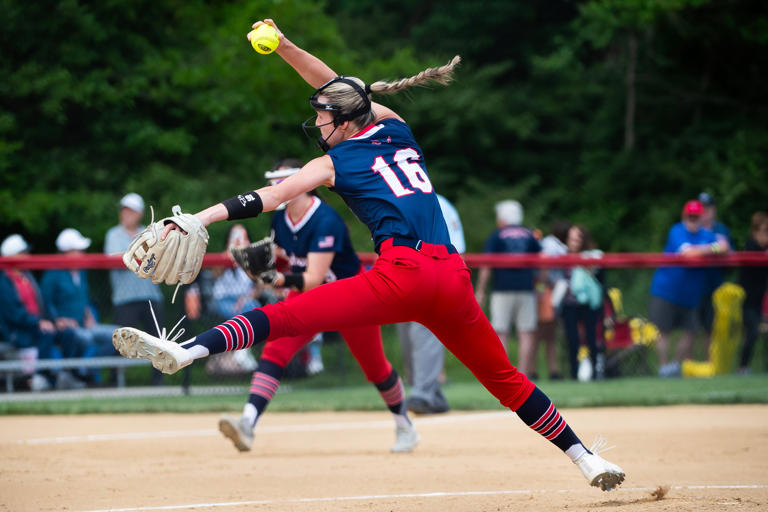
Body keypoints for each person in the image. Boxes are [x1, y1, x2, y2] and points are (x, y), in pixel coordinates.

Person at [113, 18, 624, 491]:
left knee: (284, 316)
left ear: (343, 121)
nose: (318, 122)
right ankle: (586, 458)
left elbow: (266, 198)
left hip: (400, 275)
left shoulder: (333, 162)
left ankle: (189, 351)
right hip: (451, 275)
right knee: (507, 381)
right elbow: (343, 89)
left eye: (322, 116)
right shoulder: (397, 127)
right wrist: (286, 46)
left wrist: (200, 218)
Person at [219, 159, 418, 453]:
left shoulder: (325, 220)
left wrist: (274, 278)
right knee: (275, 350)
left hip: (352, 296)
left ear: (304, 184)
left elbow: (312, 278)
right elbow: (286, 258)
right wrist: (257, 265)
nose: (275, 188)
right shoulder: (281, 218)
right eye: (273, 181)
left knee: (375, 368)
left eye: (282, 181)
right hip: (311, 297)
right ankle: (248, 422)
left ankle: (404, 424)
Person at [399, 193, 465, 414]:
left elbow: (458, 249)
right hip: (401, 277)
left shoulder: (441, 204)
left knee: (424, 336)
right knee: (408, 340)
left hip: (433, 276)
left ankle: (422, 394)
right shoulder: (393, 198)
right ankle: (433, 395)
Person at [649, 199, 725, 377]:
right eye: (689, 216)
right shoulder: (676, 230)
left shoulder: (706, 233)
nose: (692, 219)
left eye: (695, 216)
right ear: (684, 215)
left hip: (690, 294)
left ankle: (674, 367)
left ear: (701, 217)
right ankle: (663, 367)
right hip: (666, 290)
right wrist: (711, 248)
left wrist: (704, 248)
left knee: (691, 331)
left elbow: (724, 246)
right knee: (663, 331)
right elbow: (688, 253)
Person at [0, 234, 86, 390]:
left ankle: (68, 375)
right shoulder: (4, 282)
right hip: (17, 330)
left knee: (68, 333)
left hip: (35, 324)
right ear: (12, 257)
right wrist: (38, 322)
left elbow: (42, 306)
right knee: (45, 333)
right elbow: (14, 314)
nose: (28, 256)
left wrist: (54, 321)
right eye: (23, 253)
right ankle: (42, 377)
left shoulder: (27, 276)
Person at [41, 229, 121, 384]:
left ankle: (85, 369)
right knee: (80, 337)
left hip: (84, 325)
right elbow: (46, 302)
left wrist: (89, 314)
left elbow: (84, 299)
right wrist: (57, 320)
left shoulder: (81, 272)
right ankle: (77, 373)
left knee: (119, 335)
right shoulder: (53, 274)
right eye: (78, 250)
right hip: (69, 329)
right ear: (66, 252)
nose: (83, 253)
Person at [475, 200, 541, 376]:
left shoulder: (497, 235)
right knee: (526, 332)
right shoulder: (529, 234)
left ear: (503, 218)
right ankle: (524, 374)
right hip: (526, 288)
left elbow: (486, 264)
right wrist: (540, 283)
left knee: (500, 331)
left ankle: (504, 373)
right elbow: (542, 261)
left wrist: (480, 290)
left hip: (502, 289)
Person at [105, 192, 165, 384]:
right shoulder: (113, 234)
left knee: (158, 341)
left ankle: (159, 381)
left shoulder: (150, 233)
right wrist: (142, 255)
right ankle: (114, 381)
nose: (126, 214)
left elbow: (155, 259)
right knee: (121, 341)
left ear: (139, 213)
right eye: (124, 210)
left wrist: (136, 256)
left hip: (150, 295)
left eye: (131, 211)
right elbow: (118, 259)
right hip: (125, 298)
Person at [558, 225, 604, 381]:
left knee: (592, 337)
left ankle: (596, 372)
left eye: (576, 238)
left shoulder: (591, 256)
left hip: (588, 303)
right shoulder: (562, 255)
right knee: (572, 339)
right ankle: (573, 374)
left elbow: (600, 277)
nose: (573, 242)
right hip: (569, 303)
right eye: (570, 238)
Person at [535, 220, 571, 380]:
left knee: (550, 335)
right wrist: (542, 289)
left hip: (553, 292)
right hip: (547, 291)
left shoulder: (550, 243)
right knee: (540, 333)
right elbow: (543, 271)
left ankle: (553, 370)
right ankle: (532, 371)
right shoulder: (552, 245)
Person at [737, 211, 768, 373]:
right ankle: (743, 367)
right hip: (747, 300)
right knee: (752, 331)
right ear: (756, 232)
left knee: (757, 332)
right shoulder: (751, 246)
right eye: (763, 232)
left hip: (760, 300)